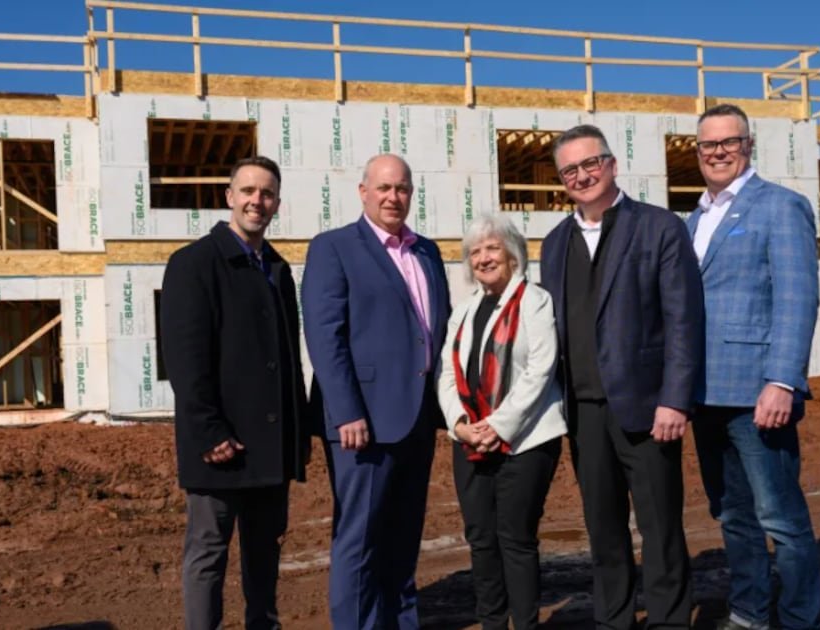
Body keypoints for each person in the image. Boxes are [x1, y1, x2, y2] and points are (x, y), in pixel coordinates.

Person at [540, 124, 704, 629]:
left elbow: (683, 319)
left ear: (611, 164)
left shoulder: (658, 227)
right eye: (570, 170)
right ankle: (613, 621)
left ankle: (669, 620)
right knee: (603, 530)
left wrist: (675, 400)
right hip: (583, 410)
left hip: (648, 408)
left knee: (660, 527)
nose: (581, 175)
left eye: (590, 163)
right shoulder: (555, 243)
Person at [686, 103, 820, 630]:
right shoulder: (694, 219)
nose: (718, 152)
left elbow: (797, 297)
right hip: (705, 394)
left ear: (748, 145)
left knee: (781, 519)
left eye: (729, 142)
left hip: (758, 394)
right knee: (733, 516)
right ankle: (748, 613)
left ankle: (800, 620)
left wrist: (782, 381)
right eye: (708, 144)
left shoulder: (781, 207)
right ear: (697, 151)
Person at [301, 154, 451, 629]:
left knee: (404, 538)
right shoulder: (334, 247)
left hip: (417, 419)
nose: (393, 197)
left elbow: (436, 331)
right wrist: (346, 410)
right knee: (360, 541)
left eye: (402, 188)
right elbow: (325, 335)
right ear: (363, 192)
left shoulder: (427, 252)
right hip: (362, 423)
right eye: (383, 188)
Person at [159, 155, 309, 630]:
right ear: (229, 196)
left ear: (277, 203)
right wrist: (207, 431)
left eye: (266, 194)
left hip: (270, 447)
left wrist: (296, 434)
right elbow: (184, 360)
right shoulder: (194, 264)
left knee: (265, 553)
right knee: (208, 552)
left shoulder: (277, 269)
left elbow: (286, 360)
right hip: (220, 448)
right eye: (247, 191)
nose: (256, 201)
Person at [436, 214, 567, 630]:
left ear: (513, 255)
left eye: (492, 248)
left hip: (525, 440)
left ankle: (525, 624)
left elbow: (541, 369)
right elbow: (447, 372)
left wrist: (498, 426)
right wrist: (460, 424)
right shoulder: (463, 311)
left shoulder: (535, 301)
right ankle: (493, 623)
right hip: (469, 441)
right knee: (481, 539)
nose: (483, 258)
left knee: (516, 539)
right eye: (475, 252)